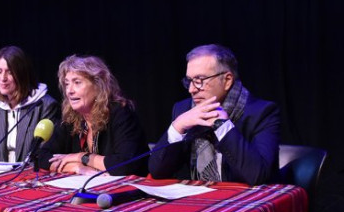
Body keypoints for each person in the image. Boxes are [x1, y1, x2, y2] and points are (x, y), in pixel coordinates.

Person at [148, 44, 280, 185]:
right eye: (189, 81)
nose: (191, 89)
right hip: (194, 199)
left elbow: (258, 176)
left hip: (240, 200)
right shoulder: (184, 109)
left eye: (200, 80)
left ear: (227, 80)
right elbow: (157, 172)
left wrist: (223, 126)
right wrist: (177, 127)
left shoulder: (262, 112)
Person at [37, 55, 148, 176]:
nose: (69, 90)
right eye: (67, 84)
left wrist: (82, 157)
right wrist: (76, 167)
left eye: (77, 82)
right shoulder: (71, 118)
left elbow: (126, 165)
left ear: (98, 85)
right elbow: (42, 156)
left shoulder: (120, 113)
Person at [0, 46, 60, 162]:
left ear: (22, 74)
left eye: (9, 72)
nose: (2, 78)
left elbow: (43, 154)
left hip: (30, 176)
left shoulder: (45, 106)